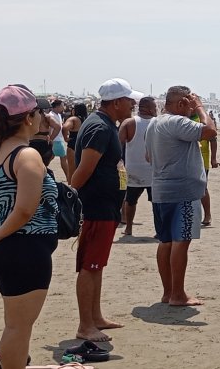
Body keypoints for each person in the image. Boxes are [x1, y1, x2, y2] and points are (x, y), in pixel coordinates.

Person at [0, 85, 58, 369]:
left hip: (4, 250)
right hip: (24, 250)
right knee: (18, 328)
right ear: (29, 117)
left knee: (14, 324)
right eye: (40, 113)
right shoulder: (26, 156)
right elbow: (25, 209)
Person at [70, 78, 140, 342]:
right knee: (90, 265)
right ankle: (85, 325)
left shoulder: (106, 125)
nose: (133, 104)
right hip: (96, 207)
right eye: (130, 100)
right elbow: (85, 169)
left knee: (97, 264)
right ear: (117, 102)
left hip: (105, 207)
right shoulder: (99, 127)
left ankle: (95, 317)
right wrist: (68, 198)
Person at [145, 86, 216, 306]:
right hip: (182, 192)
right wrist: (201, 108)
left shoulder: (154, 124)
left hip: (161, 190)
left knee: (165, 241)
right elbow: (210, 131)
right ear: (181, 104)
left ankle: (168, 292)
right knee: (180, 242)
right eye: (189, 104)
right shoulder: (176, 122)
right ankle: (177, 294)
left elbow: (148, 157)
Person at [119, 96, 156, 237]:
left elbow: (118, 144)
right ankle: (159, 230)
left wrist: (118, 162)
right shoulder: (157, 122)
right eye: (154, 107)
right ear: (147, 108)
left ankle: (129, 228)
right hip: (153, 170)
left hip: (133, 169)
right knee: (156, 202)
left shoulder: (129, 123)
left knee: (131, 201)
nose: (156, 109)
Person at [62, 103, 88, 183]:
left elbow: (65, 127)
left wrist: (65, 138)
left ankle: (71, 190)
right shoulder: (87, 119)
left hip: (73, 144)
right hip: (84, 145)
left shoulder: (74, 119)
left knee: (72, 171)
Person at [47, 100, 68, 179]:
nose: (63, 107)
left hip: (58, 139)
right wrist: (51, 138)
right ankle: (68, 177)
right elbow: (49, 128)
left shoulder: (58, 115)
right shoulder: (51, 115)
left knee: (51, 157)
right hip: (56, 140)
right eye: (62, 106)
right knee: (63, 158)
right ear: (57, 106)